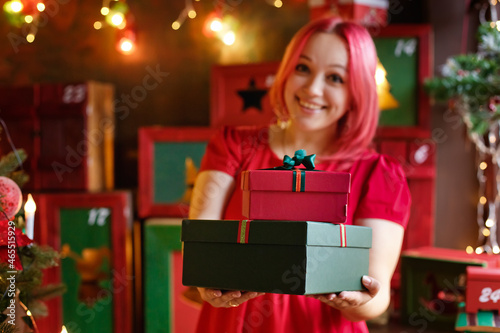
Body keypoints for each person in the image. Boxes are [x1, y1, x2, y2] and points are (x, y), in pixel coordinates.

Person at [189, 15, 411, 333]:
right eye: (303, 68)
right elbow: (200, 243)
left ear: (357, 92)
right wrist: (207, 286)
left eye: (335, 78)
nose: (312, 88)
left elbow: (376, 296)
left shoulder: (379, 174)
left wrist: (355, 300)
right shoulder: (234, 145)